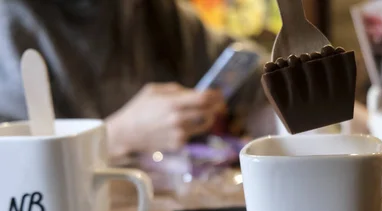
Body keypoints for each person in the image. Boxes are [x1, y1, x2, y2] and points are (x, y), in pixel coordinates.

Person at [0, 0, 271, 160]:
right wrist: (118, 135)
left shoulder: (153, 11)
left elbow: (257, 74)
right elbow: (15, 169)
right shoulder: (10, 23)